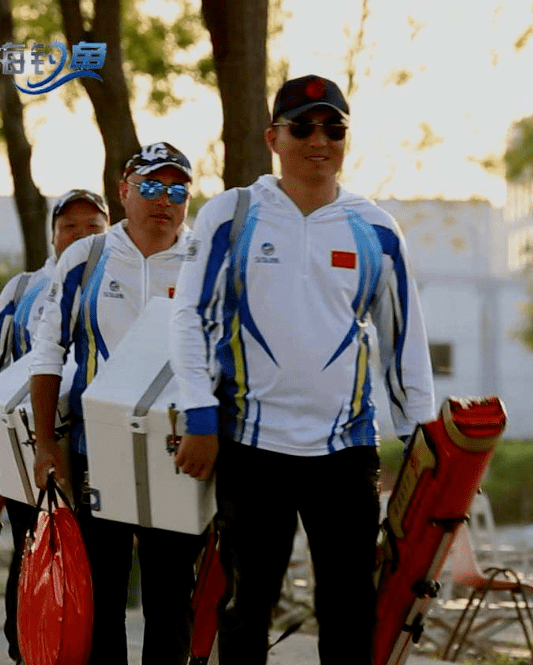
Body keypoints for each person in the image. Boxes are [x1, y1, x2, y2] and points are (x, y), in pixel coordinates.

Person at [170, 74, 436, 664]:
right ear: (274, 137)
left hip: (344, 452)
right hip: (250, 444)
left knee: (348, 607)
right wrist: (199, 414)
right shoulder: (232, 217)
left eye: (333, 128)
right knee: (248, 604)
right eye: (303, 127)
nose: (319, 140)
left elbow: (403, 340)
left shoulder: (377, 230)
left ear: (345, 139)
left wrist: (424, 439)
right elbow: (191, 319)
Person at [29, 142, 205, 665]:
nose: (163, 200)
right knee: (102, 598)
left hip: (179, 452)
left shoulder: (205, 259)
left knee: (171, 598)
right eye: (150, 186)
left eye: (177, 189)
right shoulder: (87, 258)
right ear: (124, 191)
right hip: (97, 450)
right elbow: (47, 352)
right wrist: (44, 444)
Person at [0, 188, 109, 664]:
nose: (81, 235)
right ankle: (27, 653)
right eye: (70, 227)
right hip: (29, 454)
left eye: (93, 226)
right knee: (35, 558)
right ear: (53, 237)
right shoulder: (25, 289)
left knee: (93, 570)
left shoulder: (117, 281)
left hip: (98, 451)